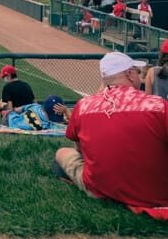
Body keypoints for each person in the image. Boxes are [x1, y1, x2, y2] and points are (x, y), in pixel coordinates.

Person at [55, 52, 168, 211]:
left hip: (101, 189)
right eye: (138, 72)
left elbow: (80, 152)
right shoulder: (159, 105)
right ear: (129, 74)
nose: (140, 78)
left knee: (62, 153)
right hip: (157, 195)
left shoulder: (84, 105)